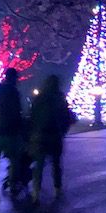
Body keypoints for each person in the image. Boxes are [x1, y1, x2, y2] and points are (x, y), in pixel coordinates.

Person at [28, 74, 74, 202]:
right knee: (56, 162)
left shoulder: (40, 98)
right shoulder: (60, 98)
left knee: (39, 164)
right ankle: (57, 188)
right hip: (55, 134)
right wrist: (62, 130)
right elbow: (67, 117)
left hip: (41, 135)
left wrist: (34, 131)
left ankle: (36, 191)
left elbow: (32, 115)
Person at [0, 68, 24, 206]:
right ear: (14, 78)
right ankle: (13, 183)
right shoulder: (13, 92)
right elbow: (17, 111)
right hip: (10, 130)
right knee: (14, 159)